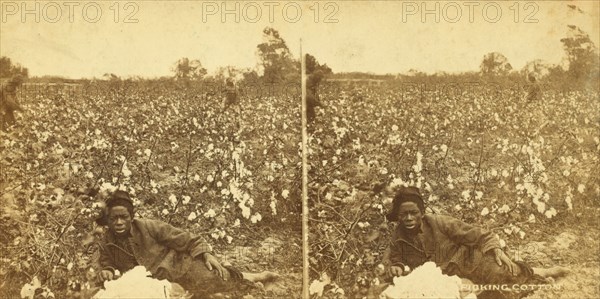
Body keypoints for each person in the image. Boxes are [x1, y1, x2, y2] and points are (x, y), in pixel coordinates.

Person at [381, 186, 569, 299]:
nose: (408, 218)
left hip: (470, 261)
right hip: (448, 279)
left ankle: (541, 273)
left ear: (421, 212)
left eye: (413, 212)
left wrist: (495, 248)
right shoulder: (398, 237)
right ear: (398, 216)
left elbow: (477, 234)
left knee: (505, 274)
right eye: (403, 214)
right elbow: (393, 259)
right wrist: (396, 266)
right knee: (491, 295)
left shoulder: (439, 222)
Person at [97, 190, 278, 298]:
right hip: (156, 284)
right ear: (108, 220)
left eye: (124, 217)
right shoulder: (107, 241)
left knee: (213, 280)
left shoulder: (148, 227)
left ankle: (254, 277)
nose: (119, 223)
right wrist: (108, 271)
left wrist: (206, 254)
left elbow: (187, 239)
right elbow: (107, 263)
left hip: (181, 267)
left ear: (131, 217)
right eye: (114, 219)